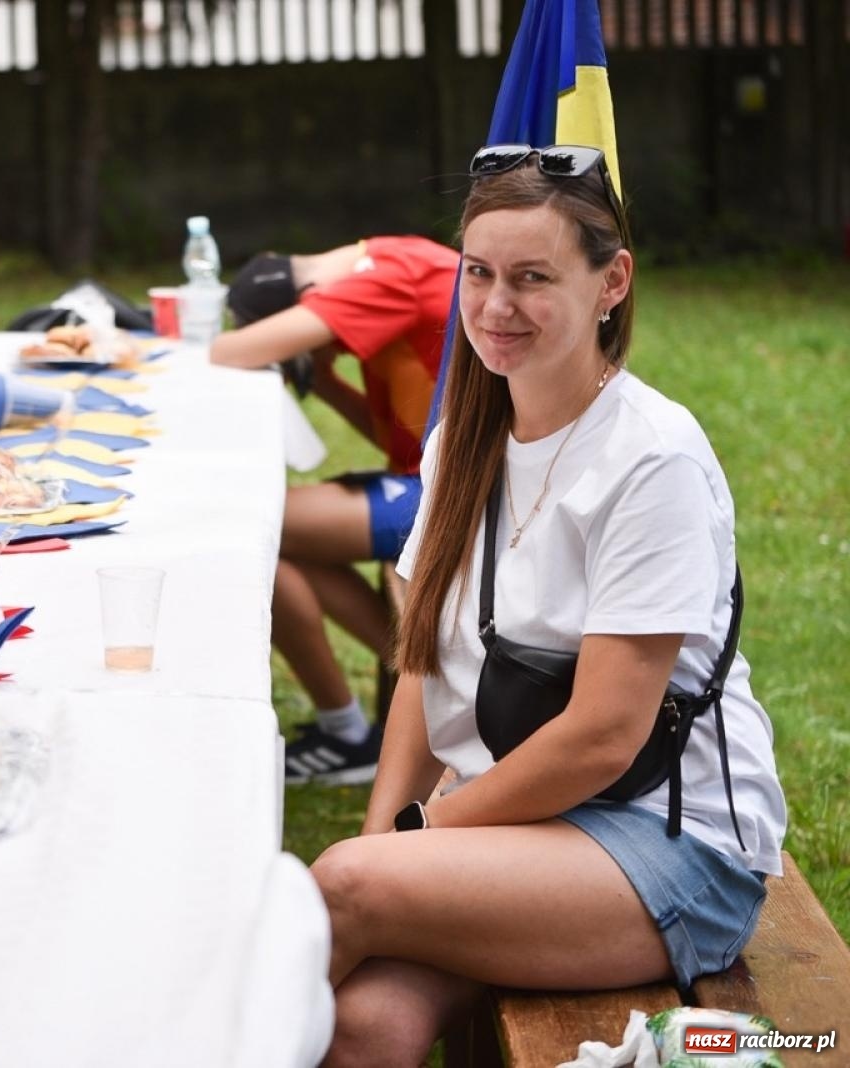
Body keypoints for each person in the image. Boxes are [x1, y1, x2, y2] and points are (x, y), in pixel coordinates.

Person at [308, 146, 786, 1066]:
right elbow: (424, 667)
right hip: (519, 820)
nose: (495, 306)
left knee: (338, 892)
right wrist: (387, 847)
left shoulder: (653, 461)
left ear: (612, 282)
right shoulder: (464, 440)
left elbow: (607, 735)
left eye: (533, 278)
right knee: (364, 1025)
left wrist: (417, 840)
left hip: (670, 842)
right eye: (478, 274)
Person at [209, 236, 459, 785]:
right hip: (436, 473)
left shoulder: (384, 279)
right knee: (270, 550)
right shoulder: (392, 257)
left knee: (253, 528)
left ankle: (429, 684)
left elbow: (226, 351)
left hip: (459, 491)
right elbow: (396, 438)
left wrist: (290, 343)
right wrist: (321, 379)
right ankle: (356, 726)